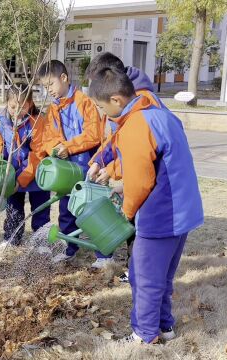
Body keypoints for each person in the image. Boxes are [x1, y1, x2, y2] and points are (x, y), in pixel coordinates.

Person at [87, 67, 204, 344]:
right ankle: (165, 327)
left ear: (116, 99)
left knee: (144, 278)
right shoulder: (161, 114)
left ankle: (144, 334)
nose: (103, 114)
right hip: (182, 214)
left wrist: (125, 215)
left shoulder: (137, 125)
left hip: (160, 215)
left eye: (101, 107)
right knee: (162, 276)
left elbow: (140, 182)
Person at [84, 52, 165, 269]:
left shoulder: (143, 104)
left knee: (137, 229)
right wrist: (99, 161)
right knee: (132, 225)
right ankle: (133, 269)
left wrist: (112, 168)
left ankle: (135, 270)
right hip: (129, 174)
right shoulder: (122, 103)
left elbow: (139, 151)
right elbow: (114, 140)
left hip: (143, 179)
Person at [36, 60, 103, 263]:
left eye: (51, 85)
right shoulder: (53, 109)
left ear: (64, 78)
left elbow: (94, 133)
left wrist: (70, 146)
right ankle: (69, 247)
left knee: (92, 210)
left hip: (86, 167)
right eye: (45, 87)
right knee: (66, 209)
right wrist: (56, 148)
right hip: (65, 170)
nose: (49, 91)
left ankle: (103, 254)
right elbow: (48, 137)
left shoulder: (84, 102)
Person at [0, 83, 50, 248]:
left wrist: (22, 178)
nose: (16, 111)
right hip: (12, 172)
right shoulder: (0, 121)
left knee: (40, 208)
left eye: (22, 107)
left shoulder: (37, 122)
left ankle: (41, 242)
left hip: (36, 173)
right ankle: (11, 239)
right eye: (12, 106)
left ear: (30, 104)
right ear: (7, 103)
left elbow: (38, 154)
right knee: (13, 208)